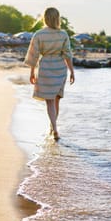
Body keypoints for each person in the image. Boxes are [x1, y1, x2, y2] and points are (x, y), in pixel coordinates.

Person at [24, 7, 75, 140]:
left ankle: (54, 128)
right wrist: (72, 71)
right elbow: (67, 55)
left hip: (46, 67)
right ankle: (54, 127)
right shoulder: (63, 34)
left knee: (50, 102)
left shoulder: (39, 34)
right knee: (56, 100)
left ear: (45, 18)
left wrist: (32, 72)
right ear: (58, 18)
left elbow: (33, 55)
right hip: (60, 69)